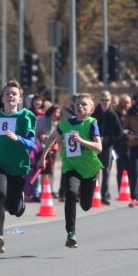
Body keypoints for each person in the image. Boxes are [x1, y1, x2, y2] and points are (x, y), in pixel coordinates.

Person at [38, 93, 103, 248]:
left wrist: (80, 140)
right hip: (71, 167)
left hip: (89, 169)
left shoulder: (91, 123)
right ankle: (71, 233)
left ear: (91, 110)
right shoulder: (66, 124)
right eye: (77, 104)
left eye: (84, 104)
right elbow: (52, 137)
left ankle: (84, 194)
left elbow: (99, 147)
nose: (80, 106)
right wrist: (43, 157)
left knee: (86, 205)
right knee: (71, 193)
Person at [0, 81, 38, 253]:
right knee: (0, 193)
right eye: (7, 93)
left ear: (20, 99)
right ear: (2, 98)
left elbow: (32, 144)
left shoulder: (26, 117)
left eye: (14, 94)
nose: (10, 96)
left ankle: (20, 202)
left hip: (18, 165)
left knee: (14, 209)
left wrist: (18, 139)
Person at [93, 91, 122, 204]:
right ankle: (92, 194)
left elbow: (119, 132)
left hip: (107, 147)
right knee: (93, 172)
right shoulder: (95, 114)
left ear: (110, 101)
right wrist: (95, 138)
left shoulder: (113, 115)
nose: (104, 103)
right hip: (95, 146)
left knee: (106, 171)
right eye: (102, 100)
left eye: (107, 100)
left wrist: (108, 139)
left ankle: (104, 195)